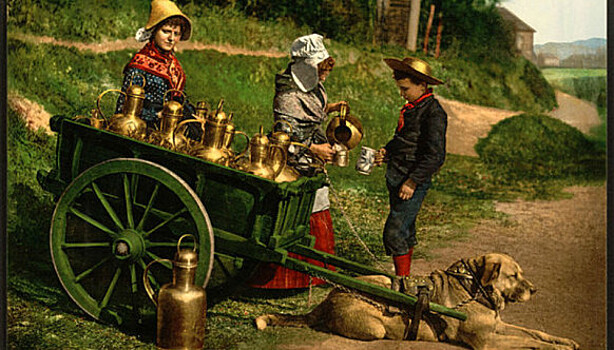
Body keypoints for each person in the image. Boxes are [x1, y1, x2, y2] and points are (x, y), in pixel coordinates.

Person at [248, 34, 346, 289]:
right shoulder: (288, 96)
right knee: (296, 209)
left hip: (311, 161)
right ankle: (284, 281)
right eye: (319, 70)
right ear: (305, 67)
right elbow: (286, 139)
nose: (323, 76)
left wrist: (330, 108)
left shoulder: (310, 87)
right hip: (292, 162)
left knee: (317, 202)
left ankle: (315, 275)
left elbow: (310, 115)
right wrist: (314, 149)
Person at [374, 57, 447, 277]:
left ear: (422, 86)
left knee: (394, 233)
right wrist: (388, 151)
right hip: (398, 176)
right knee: (405, 230)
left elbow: (435, 156)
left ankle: (402, 282)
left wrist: (412, 181)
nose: (402, 94)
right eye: (400, 89)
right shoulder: (413, 108)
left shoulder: (434, 113)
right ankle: (404, 278)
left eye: (405, 89)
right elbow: (406, 139)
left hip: (411, 182)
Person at [115, 0, 197, 132]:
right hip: (141, 128)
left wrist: (193, 117)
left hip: (169, 129)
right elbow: (124, 105)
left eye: (176, 34)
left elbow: (180, 99)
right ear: (154, 31)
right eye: (166, 31)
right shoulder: (140, 64)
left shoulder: (175, 68)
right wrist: (155, 115)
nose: (171, 38)